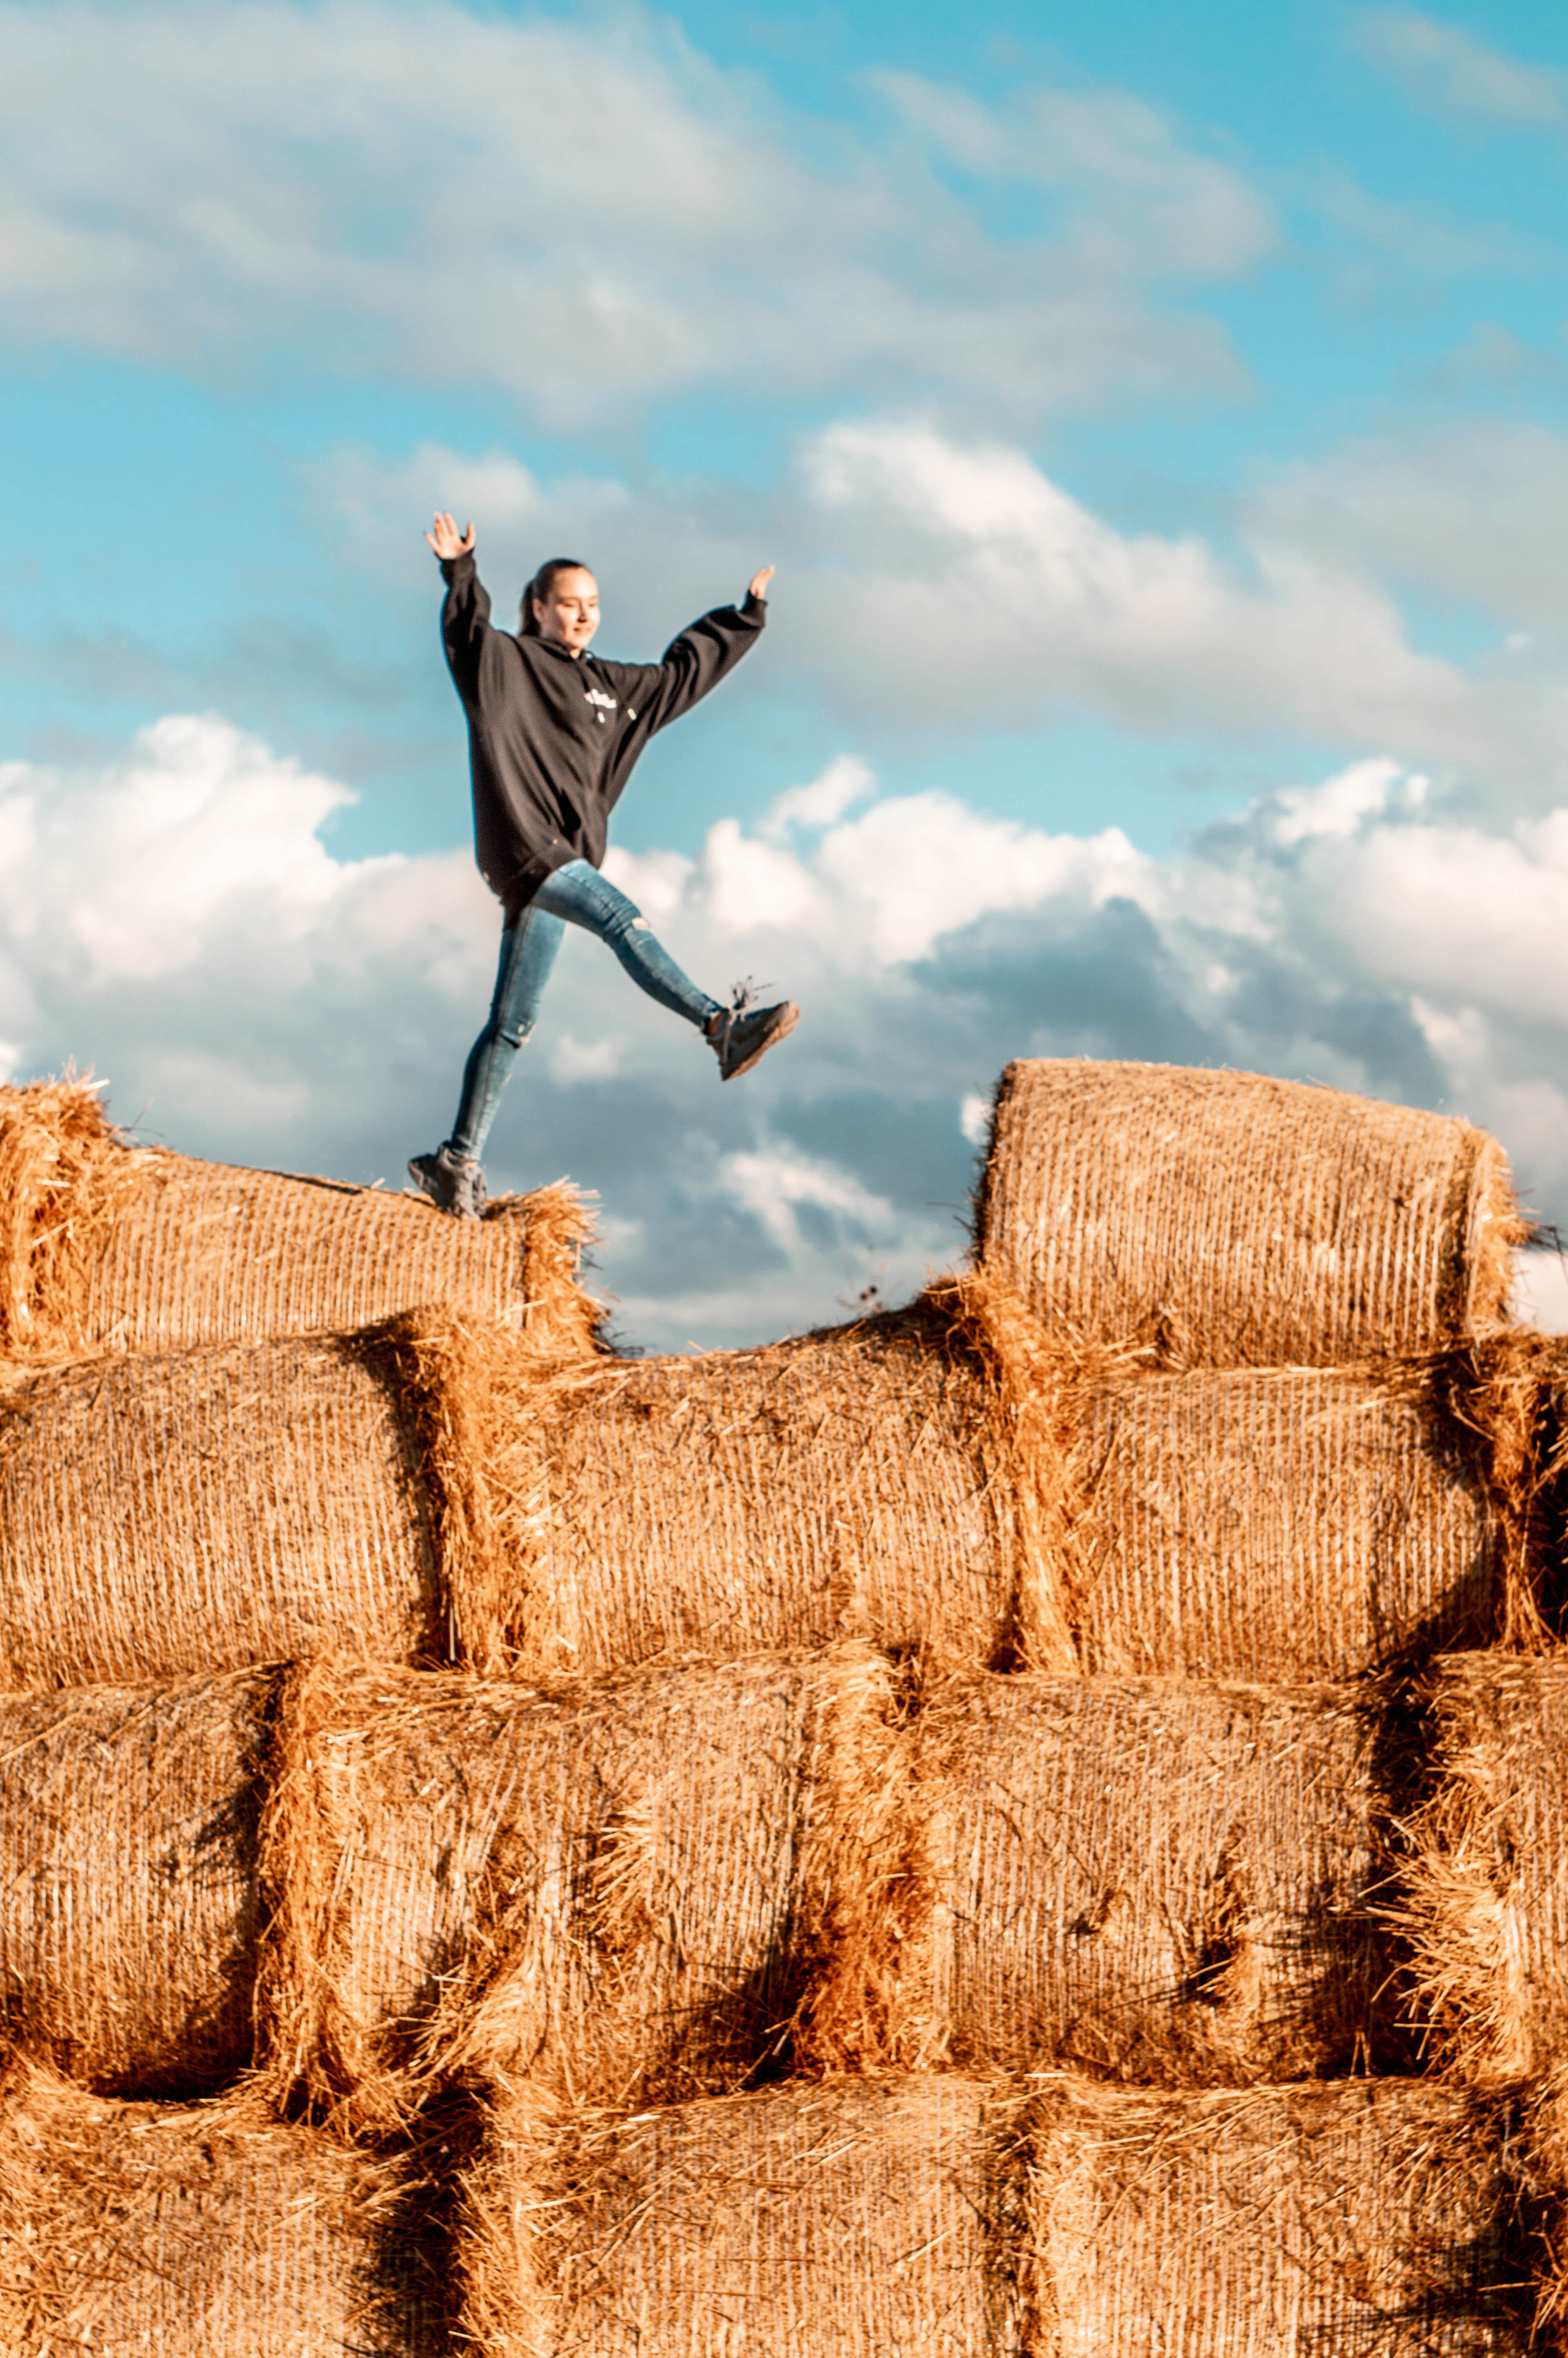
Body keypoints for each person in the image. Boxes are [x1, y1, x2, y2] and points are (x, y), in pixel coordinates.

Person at [410, 513, 799, 1218]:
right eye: (568, 602)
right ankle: (720, 1028)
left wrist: (744, 618)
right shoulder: (504, 665)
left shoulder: (611, 687)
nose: (583, 614)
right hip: (524, 844)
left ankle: (455, 1159)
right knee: (622, 917)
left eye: (592, 604)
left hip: (566, 859)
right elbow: (466, 635)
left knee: (512, 1024)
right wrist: (461, 572)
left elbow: (682, 674)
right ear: (537, 607)